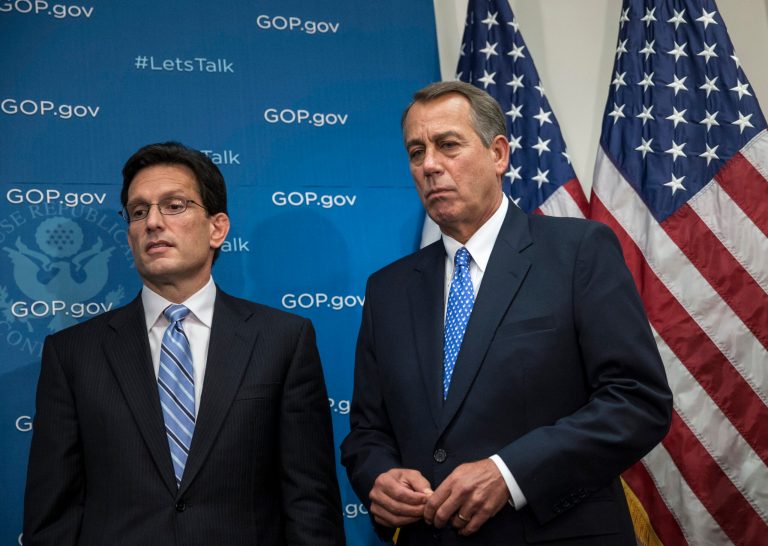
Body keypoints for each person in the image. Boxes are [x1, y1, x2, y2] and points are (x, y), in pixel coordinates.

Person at [340, 81, 672, 545]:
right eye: (416, 152)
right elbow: (367, 431)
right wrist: (380, 477)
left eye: (448, 145)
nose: (430, 165)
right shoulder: (388, 289)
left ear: (498, 155)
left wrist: (509, 473)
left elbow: (637, 401)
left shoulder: (578, 252)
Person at [24, 142, 346, 546]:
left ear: (217, 228)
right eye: (138, 211)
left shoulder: (283, 340)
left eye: (174, 206)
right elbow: (53, 517)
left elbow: (310, 504)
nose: (153, 222)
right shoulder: (72, 354)